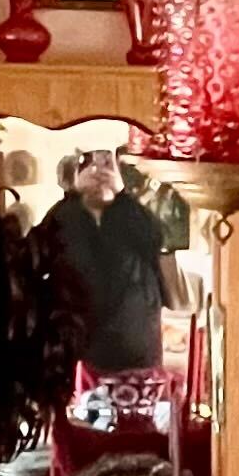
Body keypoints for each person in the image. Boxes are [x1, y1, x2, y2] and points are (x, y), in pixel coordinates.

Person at [37, 148, 179, 378]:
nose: (98, 172)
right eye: (87, 163)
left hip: (135, 358)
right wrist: (74, 195)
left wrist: (120, 195)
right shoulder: (66, 217)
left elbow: (157, 238)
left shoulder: (131, 217)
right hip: (76, 357)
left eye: (106, 164)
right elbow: (40, 252)